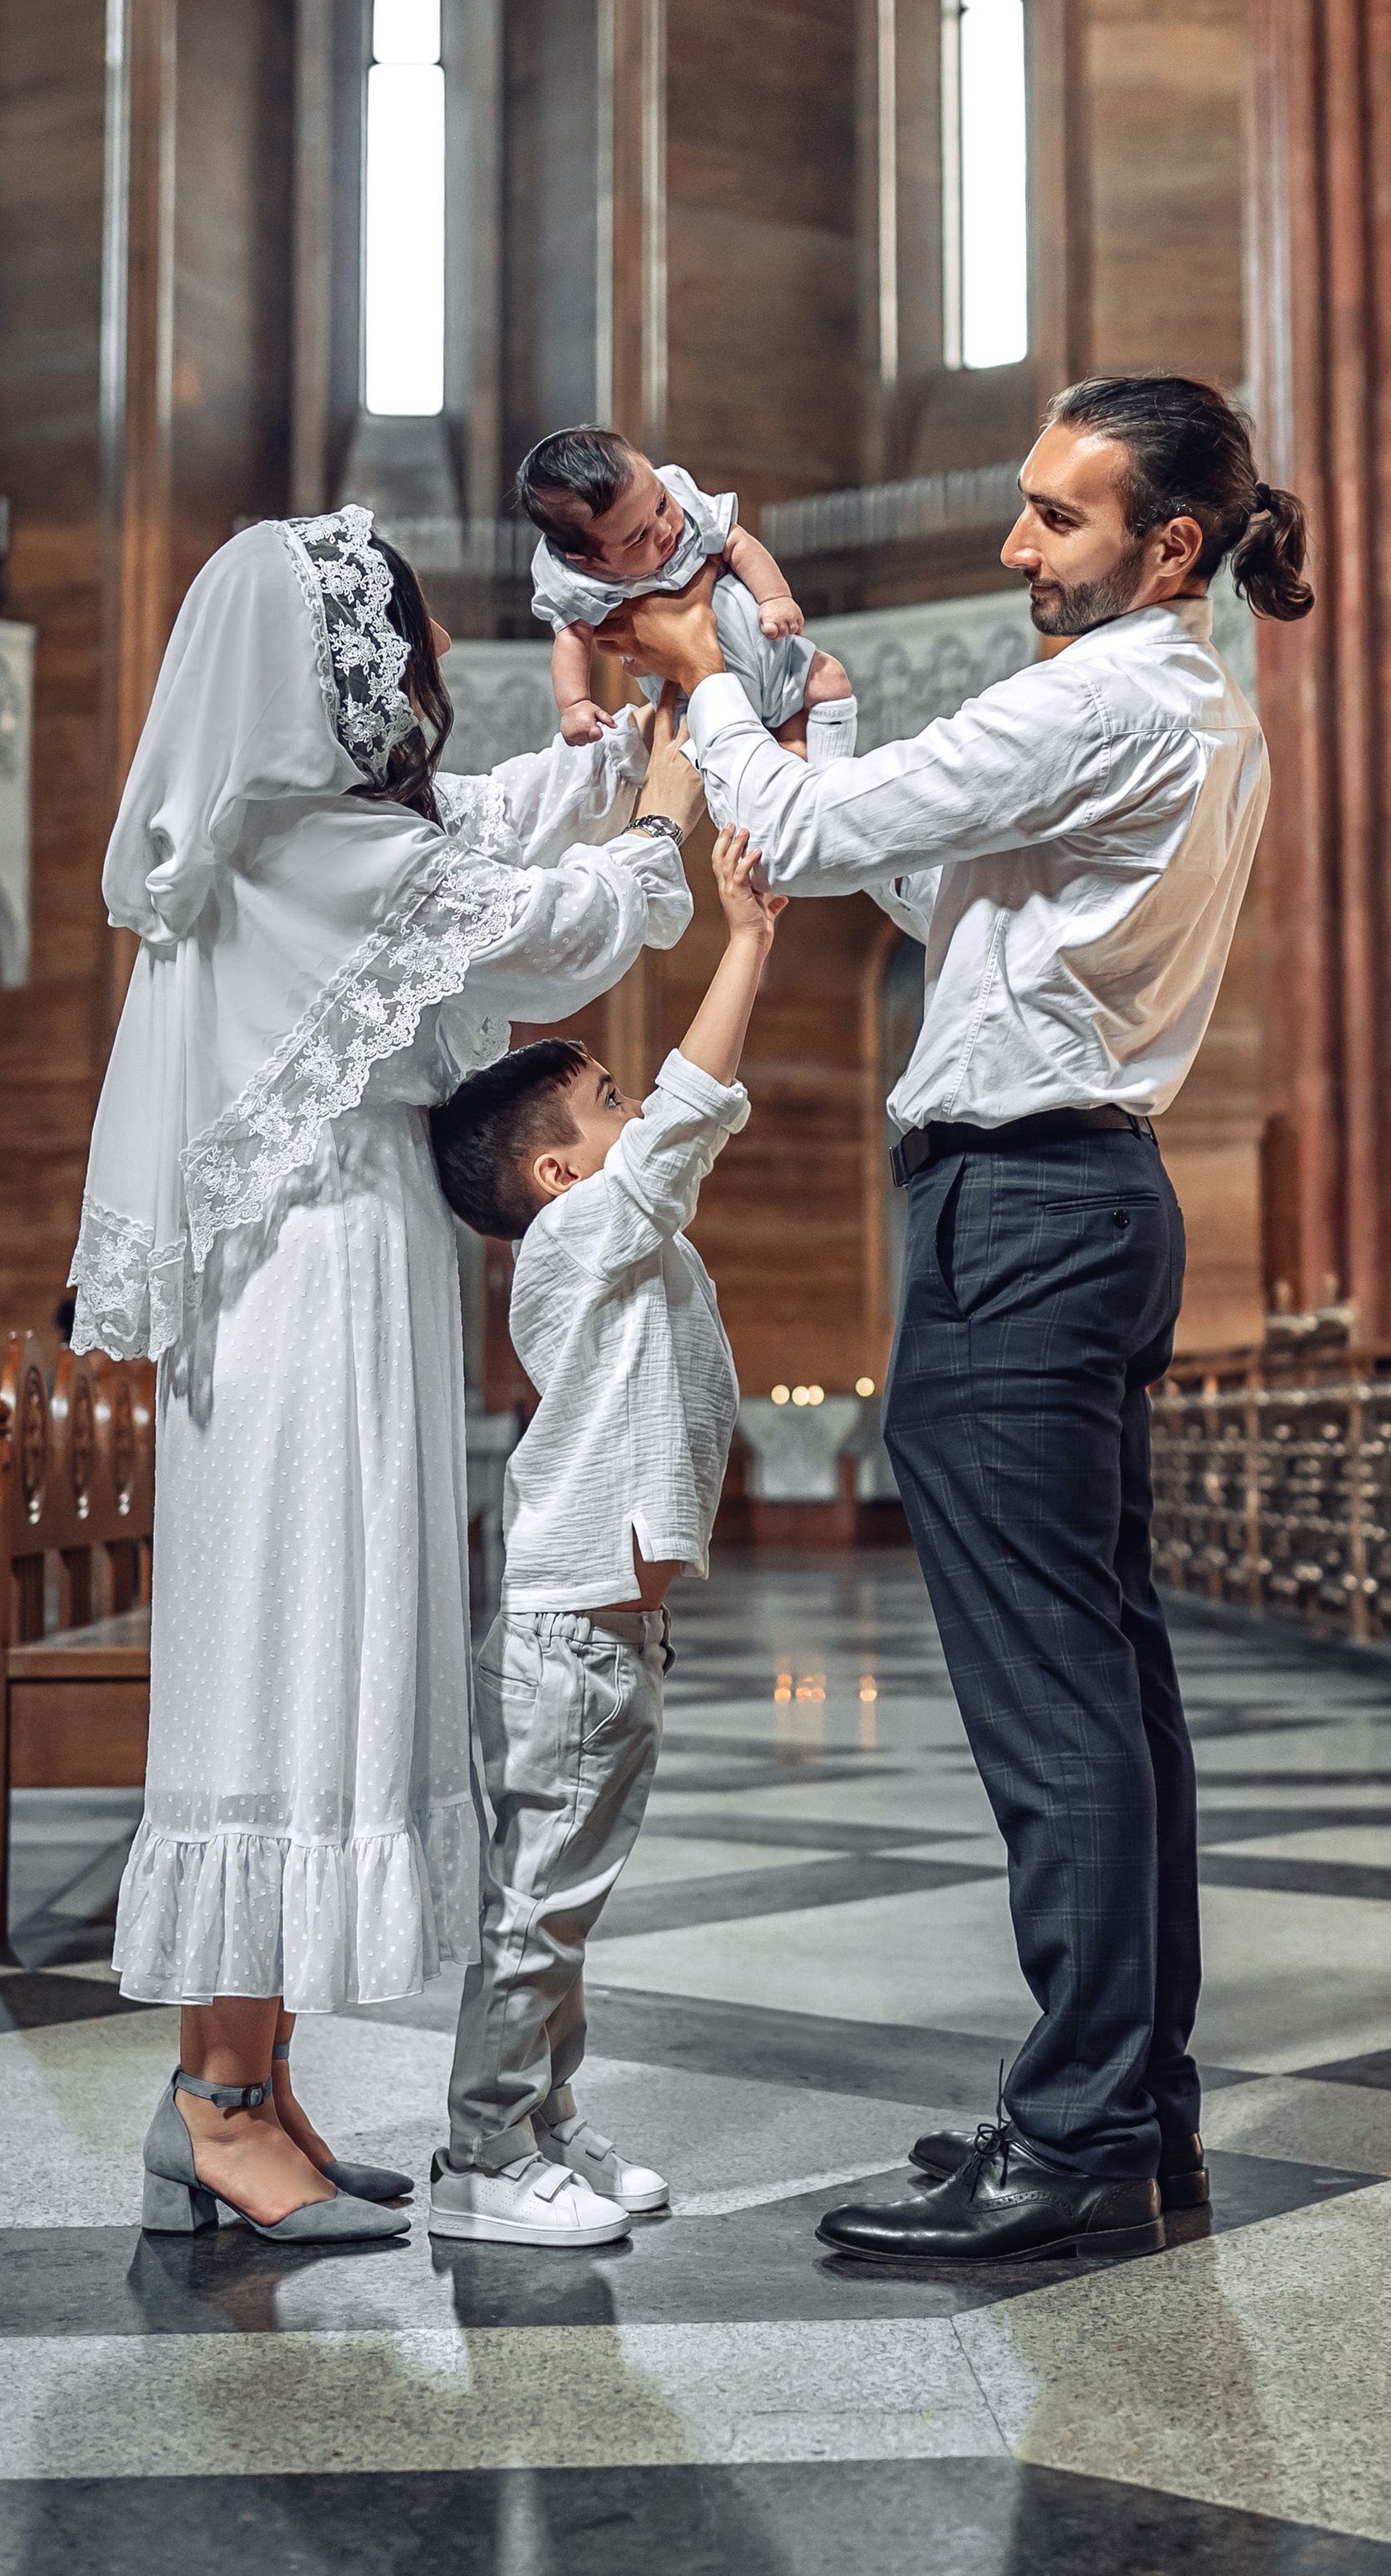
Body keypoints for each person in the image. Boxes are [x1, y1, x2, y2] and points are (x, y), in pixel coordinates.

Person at [614, 375, 1313, 2267]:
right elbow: (934, 882)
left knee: (1052, 1700)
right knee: (1110, 1683)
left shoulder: (1111, 686)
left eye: (1053, 517)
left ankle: (1081, 2130)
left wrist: (698, 673)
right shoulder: (1185, 699)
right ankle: (1125, 2109)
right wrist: (811, 708)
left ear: (1165, 546)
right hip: (1075, 1198)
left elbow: (833, 839)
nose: (1013, 545)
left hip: (1016, 1210)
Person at [67, 502, 703, 2244]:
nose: (424, 661)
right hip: (303, 1301)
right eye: (403, 636)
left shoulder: (322, 833)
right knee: (290, 1659)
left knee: (319, 1649)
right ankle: (215, 2104)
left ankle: (250, 2089)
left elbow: (490, 823)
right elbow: (556, 930)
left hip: (344, 1277)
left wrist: (597, 726)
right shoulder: (307, 847)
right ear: (327, 669)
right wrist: (664, 808)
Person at [421, 823, 780, 2246]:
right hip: (573, 1631)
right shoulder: (582, 1241)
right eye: (609, 1102)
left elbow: (670, 1146)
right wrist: (745, 941)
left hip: (609, 1627)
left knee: (569, 1896)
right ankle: (481, 2160)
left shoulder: (609, 1233)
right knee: (542, 1904)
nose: (635, 1112)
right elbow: (692, 1120)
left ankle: (549, 2127)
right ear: (558, 1179)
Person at [516, 428, 854, 761]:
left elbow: (737, 542)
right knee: (699, 755)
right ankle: (782, 771)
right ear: (589, 562)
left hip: (774, 659)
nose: (664, 531)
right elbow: (572, 637)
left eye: (662, 505)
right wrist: (575, 705)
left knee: (829, 680)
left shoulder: (684, 504)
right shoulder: (579, 583)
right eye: (638, 538)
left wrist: (775, 597)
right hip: (691, 696)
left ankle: (827, 779)